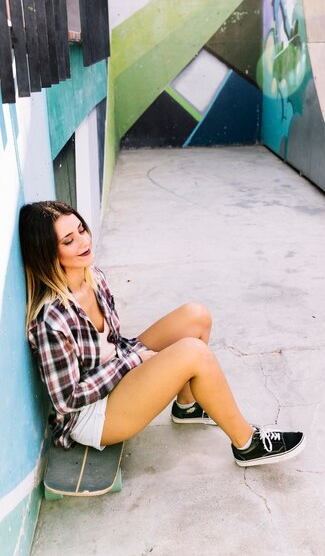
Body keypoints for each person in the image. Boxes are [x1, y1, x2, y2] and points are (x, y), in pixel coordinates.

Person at [19, 200, 305, 467]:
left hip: (115, 371)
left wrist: (134, 360)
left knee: (196, 316)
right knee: (194, 353)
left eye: (81, 229)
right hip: (93, 414)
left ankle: (188, 406)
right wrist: (134, 362)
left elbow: (114, 344)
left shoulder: (94, 278)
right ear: (48, 253)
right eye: (69, 240)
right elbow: (67, 399)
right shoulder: (51, 320)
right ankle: (247, 444)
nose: (83, 241)